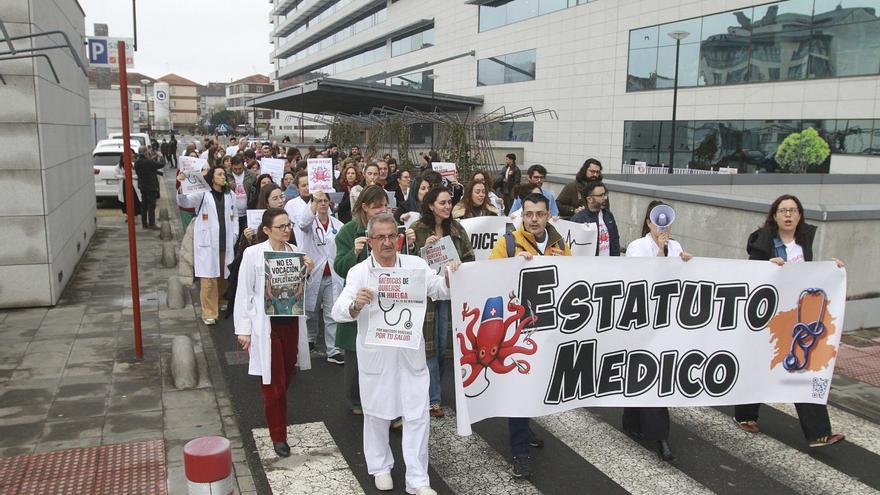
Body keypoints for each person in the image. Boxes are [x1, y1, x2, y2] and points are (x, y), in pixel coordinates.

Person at [331, 212, 457, 495]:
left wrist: (449, 277)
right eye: (380, 237)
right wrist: (356, 305)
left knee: (417, 416)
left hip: (410, 355)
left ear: (399, 239)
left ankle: (418, 479)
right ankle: (380, 467)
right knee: (376, 414)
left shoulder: (415, 265)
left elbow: (439, 289)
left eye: (392, 236)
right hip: (376, 356)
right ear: (370, 241)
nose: (387, 242)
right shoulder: (359, 272)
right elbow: (338, 310)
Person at [734, 194, 846, 448]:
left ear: (800, 216)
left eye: (793, 210)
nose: (788, 215)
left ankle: (818, 433)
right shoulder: (762, 244)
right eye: (783, 210)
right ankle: (745, 414)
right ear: (774, 216)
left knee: (803, 370)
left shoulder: (803, 244)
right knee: (761, 366)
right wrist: (767, 266)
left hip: (796, 320)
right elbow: (751, 276)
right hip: (768, 318)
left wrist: (834, 270)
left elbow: (809, 277)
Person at [489, 193, 570, 479]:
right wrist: (511, 266)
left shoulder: (561, 245)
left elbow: (574, 282)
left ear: (548, 216)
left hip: (548, 330)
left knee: (537, 386)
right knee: (519, 388)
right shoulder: (508, 244)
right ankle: (520, 451)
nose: (534, 219)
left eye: (539, 214)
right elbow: (488, 279)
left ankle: (525, 429)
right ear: (522, 215)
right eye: (529, 214)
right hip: (518, 331)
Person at [234, 208, 313, 457]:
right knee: (272, 383)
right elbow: (244, 292)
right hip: (266, 327)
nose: (287, 230)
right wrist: (244, 330)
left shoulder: (296, 253)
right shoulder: (253, 254)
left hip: (291, 323)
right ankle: (278, 436)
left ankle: (276, 412)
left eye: (289, 225)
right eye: (281, 226)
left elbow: (300, 289)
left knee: (286, 374)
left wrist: (307, 271)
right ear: (267, 230)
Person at [623, 200, 693, 462]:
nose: (663, 227)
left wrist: (687, 263)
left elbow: (680, 281)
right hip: (641, 320)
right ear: (648, 223)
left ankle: (634, 421)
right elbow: (640, 279)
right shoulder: (637, 247)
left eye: (667, 222)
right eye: (657, 221)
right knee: (647, 371)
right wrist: (661, 252)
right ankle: (660, 437)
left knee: (657, 375)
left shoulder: (677, 247)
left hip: (667, 322)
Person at [411, 187, 475, 418]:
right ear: (431, 205)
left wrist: (459, 267)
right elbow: (406, 262)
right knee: (428, 344)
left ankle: (434, 387)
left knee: (442, 344)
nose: (448, 206)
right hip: (425, 297)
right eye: (442, 203)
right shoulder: (416, 229)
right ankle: (433, 398)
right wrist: (423, 250)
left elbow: (469, 257)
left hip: (449, 293)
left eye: (449, 202)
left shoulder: (456, 228)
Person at [333, 185, 392, 416]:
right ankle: (356, 399)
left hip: (386, 298)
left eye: (385, 205)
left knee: (384, 356)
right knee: (356, 356)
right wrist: (354, 253)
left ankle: (384, 402)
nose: (382, 210)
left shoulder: (391, 227)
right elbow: (339, 267)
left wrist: (410, 242)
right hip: (360, 299)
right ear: (365, 207)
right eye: (377, 206)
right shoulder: (349, 231)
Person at [177, 165, 238, 325]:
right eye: (219, 174)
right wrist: (182, 186)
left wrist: (235, 234)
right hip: (207, 242)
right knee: (208, 278)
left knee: (224, 275)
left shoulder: (230, 194)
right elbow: (185, 202)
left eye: (224, 174)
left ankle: (220, 300)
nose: (223, 176)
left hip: (225, 240)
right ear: (212, 178)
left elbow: (235, 216)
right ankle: (209, 312)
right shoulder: (203, 193)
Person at [295, 191, 345, 364]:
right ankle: (310, 338)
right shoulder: (309, 224)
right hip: (313, 273)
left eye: (325, 200)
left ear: (330, 203)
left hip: (332, 275)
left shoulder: (338, 225)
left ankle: (333, 350)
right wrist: (313, 203)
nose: (322, 203)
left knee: (331, 314)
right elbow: (303, 222)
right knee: (311, 310)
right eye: (318, 201)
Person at [570, 181, 620, 257]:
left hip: (610, 262)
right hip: (591, 262)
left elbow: (615, 239)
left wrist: (616, 259)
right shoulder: (579, 219)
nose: (605, 198)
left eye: (605, 194)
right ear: (589, 199)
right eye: (601, 195)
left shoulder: (608, 215)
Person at [133, 146, 164, 230]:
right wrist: (161, 156)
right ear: (145, 152)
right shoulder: (149, 162)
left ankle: (144, 223)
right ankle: (151, 223)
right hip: (151, 186)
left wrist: (152, 158)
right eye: (147, 152)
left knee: (144, 205)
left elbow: (147, 167)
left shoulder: (137, 162)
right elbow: (161, 164)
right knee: (151, 206)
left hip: (142, 186)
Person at [227, 155, 257, 233]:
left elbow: (255, 191)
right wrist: (228, 186)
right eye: (235, 169)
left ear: (243, 165)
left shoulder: (251, 175)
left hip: (247, 212)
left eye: (240, 169)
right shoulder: (225, 175)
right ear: (231, 166)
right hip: (231, 213)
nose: (237, 171)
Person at [284, 171, 312, 248]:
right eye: (303, 185)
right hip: (300, 246)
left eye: (309, 184)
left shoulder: (320, 201)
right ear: (297, 188)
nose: (307, 188)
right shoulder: (291, 205)